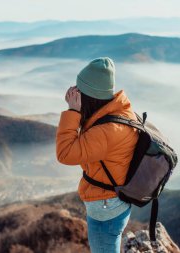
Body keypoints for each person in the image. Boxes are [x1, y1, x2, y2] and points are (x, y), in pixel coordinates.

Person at [56, 57, 139, 253]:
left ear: (90, 97)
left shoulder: (107, 131)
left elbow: (65, 153)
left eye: (79, 91)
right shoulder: (119, 112)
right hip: (115, 202)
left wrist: (72, 111)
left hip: (106, 206)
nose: (75, 94)